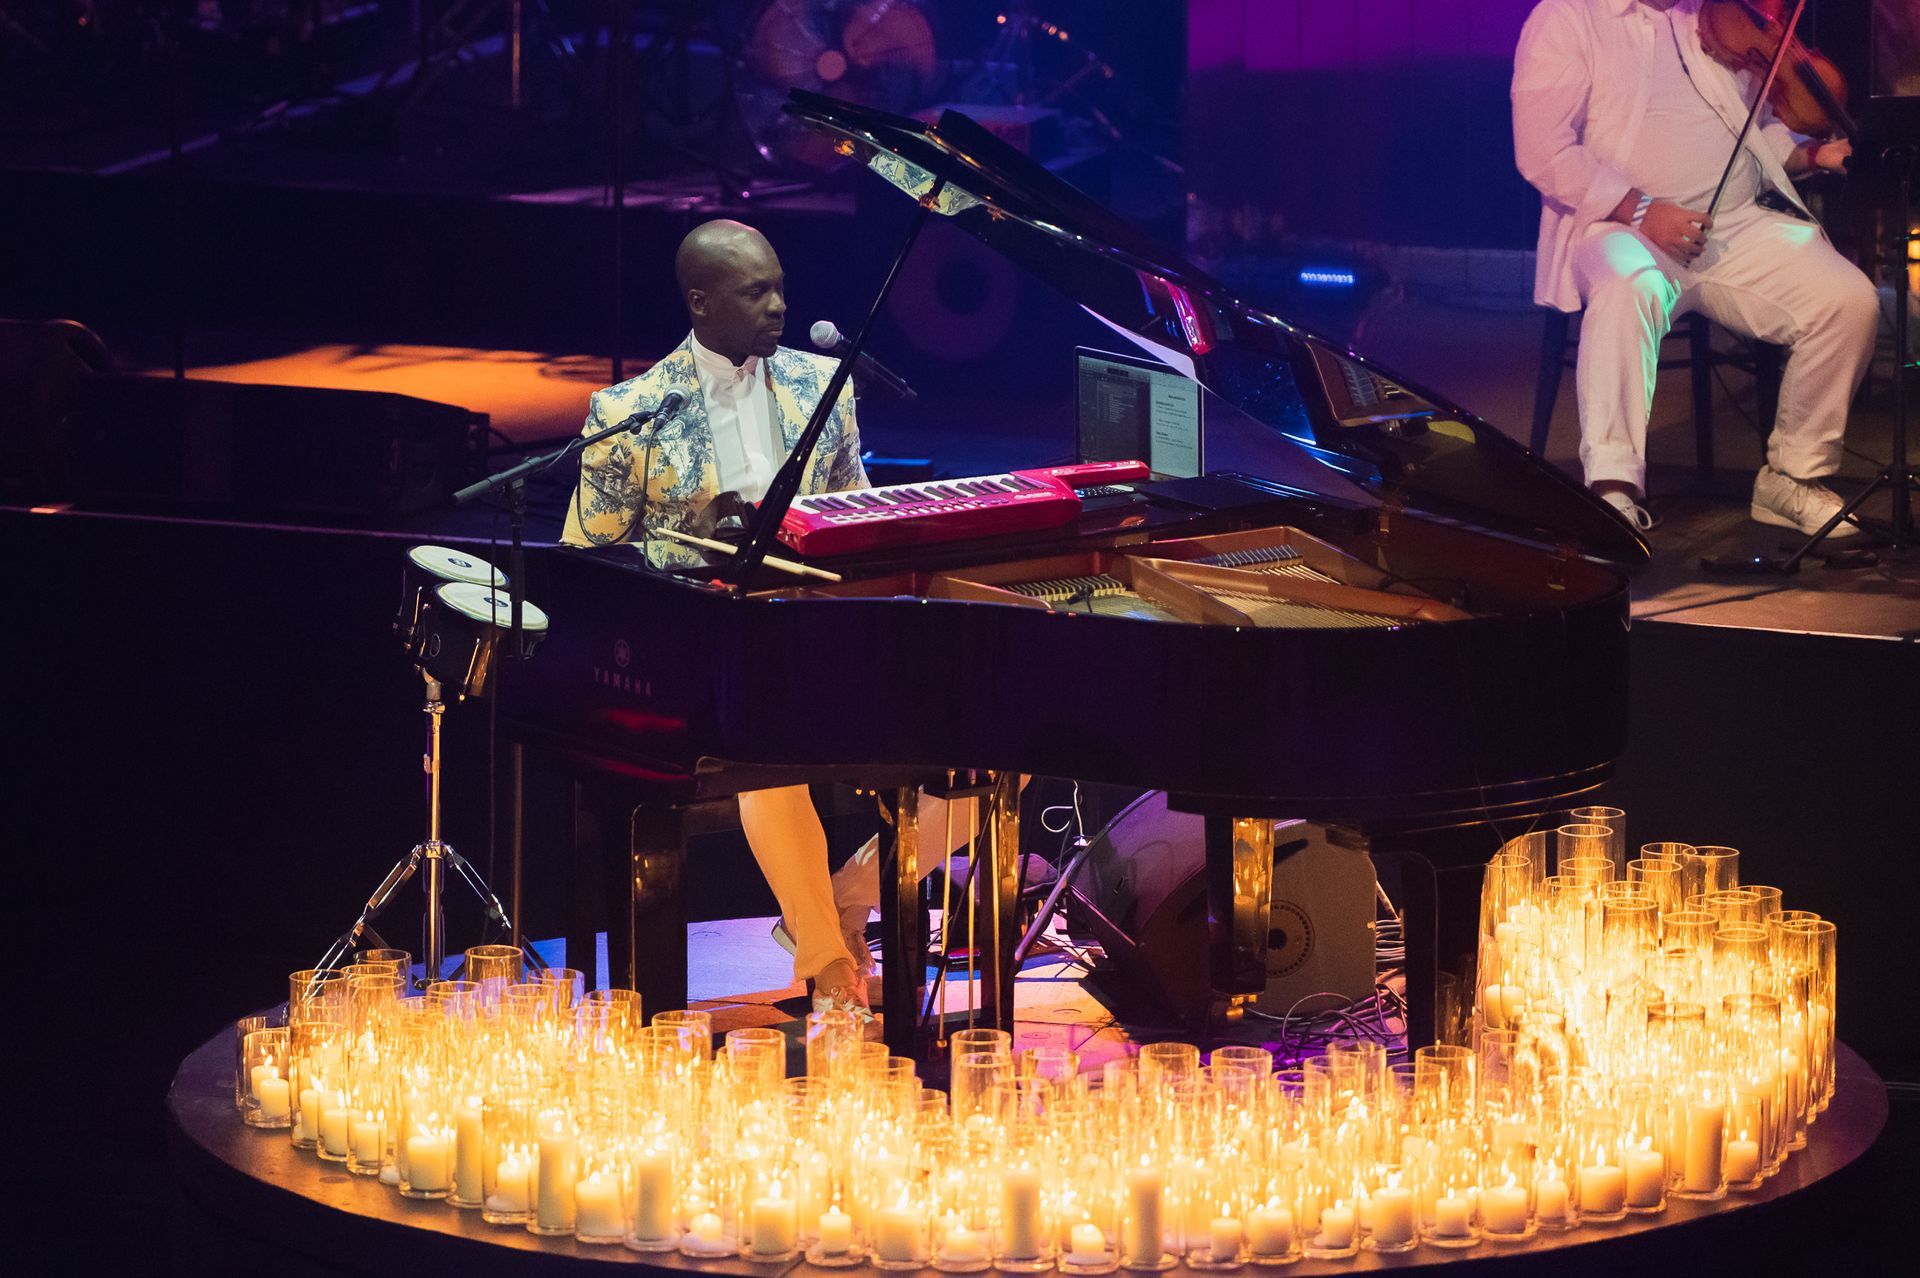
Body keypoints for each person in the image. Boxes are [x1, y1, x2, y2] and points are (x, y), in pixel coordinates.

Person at [560, 219, 981, 1018]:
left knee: (1001, 735)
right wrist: (690, 551)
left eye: (781, 285)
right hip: (702, 657)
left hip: (821, 635)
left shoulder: (824, 384)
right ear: (701, 300)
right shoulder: (631, 411)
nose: (779, 305)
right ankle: (826, 965)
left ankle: (842, 894)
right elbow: (589, 561)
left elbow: (856, 517)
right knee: (769, 743)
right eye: (757, 292)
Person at [1513, 0, 1878, 536]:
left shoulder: (1715, 18)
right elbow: (1542, 150)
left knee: (1849, 301)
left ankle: (1792, 480)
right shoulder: (1569, 16)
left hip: (1733, 225)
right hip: (1621, 225)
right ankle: (1613, 489)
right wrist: (1642, 210)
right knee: (1628, 285)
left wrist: (1808, 154)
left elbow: (1753, 130)